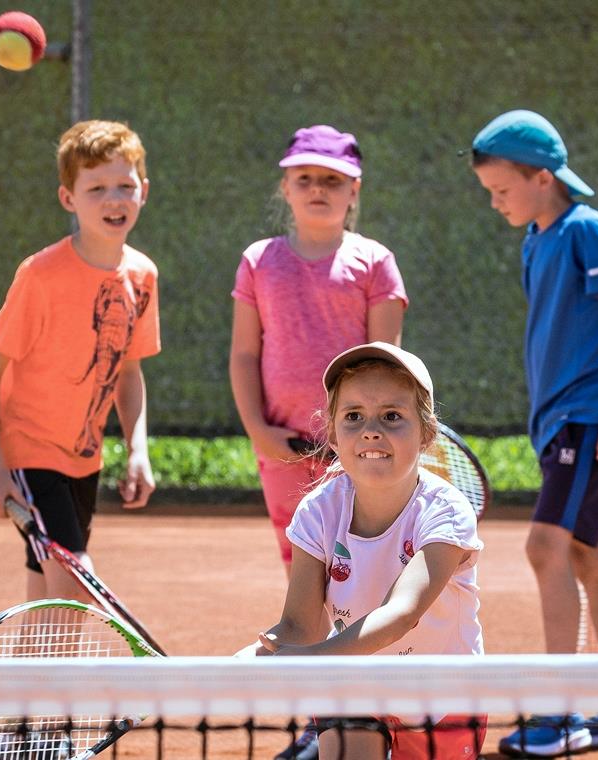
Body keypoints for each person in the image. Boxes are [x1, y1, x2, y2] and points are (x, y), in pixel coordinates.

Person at [470, 110, 598, 757]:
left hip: (591, 419)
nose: (496, 203)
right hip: (563, 423)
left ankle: (561, 711)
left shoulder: (586, 230)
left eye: (502, 190)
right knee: (585, 555)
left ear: (542, 177)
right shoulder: (536, 241)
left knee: (544, 548)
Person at [230, 124, 409, 760]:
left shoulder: (375, 263)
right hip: (281, 452)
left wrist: (358, 444)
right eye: (305, 177)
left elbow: (387, 369)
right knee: (303, 584)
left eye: (332, 180)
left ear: (354, 191)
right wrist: (259, 432)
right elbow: (245, 353)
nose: (317, 189)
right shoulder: (258, 260)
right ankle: (324, 720)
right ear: (285, 186)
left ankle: (367, 717)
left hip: (355, 457)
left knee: (358, 581)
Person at [235, 342, 486, 760]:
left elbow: (401, 614)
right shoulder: (319, 510)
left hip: (442, 698)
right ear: (332, 433)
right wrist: (251, 657)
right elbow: (298, 625)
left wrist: (310, 660)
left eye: (392, 416)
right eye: (353, 416)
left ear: (426, 434)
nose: (372, 430)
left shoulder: (446, 513)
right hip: (352, 681)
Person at [0, 119, 160, 604]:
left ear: (144, 191)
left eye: (124, 185)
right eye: (95, 188)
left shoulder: (142, 275)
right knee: (77, 586)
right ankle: (65, 683)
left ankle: (26, 680)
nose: (113, 199)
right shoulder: (40, 275)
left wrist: (137, 450)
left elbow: (129, 372)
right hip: (29, 455)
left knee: (46, 596)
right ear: (68, 199)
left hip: (84, 462)